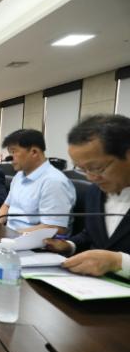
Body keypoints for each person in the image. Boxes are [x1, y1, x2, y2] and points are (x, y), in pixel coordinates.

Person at [44, 115, 130, 278]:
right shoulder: (94, 192)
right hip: (89, 287)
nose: (90, 177)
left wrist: (119, 262)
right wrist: (69, 245)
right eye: (82, 169)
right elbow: (91, 234)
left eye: (96, 168)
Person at [0, 129, 76, 234]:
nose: (9, 158)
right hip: (10, 236)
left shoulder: (53, 182)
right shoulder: (19, 176)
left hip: (33, 240)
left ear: (34, 152)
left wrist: (13, 235)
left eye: (14, 152)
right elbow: (7, 205)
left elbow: (54, 227)